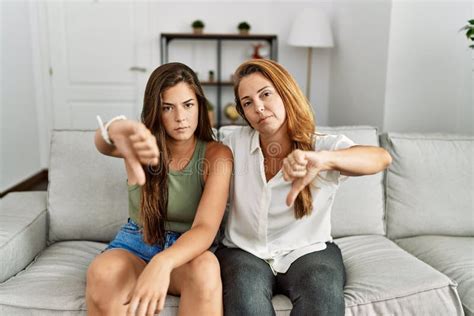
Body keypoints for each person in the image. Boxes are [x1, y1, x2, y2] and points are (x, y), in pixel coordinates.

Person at [215, 59, 392, 316]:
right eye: (247, 103)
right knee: (245, 298)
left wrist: (323, 160)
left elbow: (380, 158)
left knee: (323, 296)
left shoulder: (321, 145)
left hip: (307, 251)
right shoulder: (234, 144)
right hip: (244, 251)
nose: (259, 108)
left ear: (285, 94)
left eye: (265, 94)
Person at [86, 62, 232, 316]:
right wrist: (118, 128)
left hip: (186, 251)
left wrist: (163, 262)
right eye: (168, 108)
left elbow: (206, 228)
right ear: (156, 110)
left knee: (206, 268)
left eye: (188, 105)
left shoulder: (216, 155)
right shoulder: (143, 145)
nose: (180, 118)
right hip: (136, 243)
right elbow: (102, 143)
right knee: (101, 272)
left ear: (199, 105)